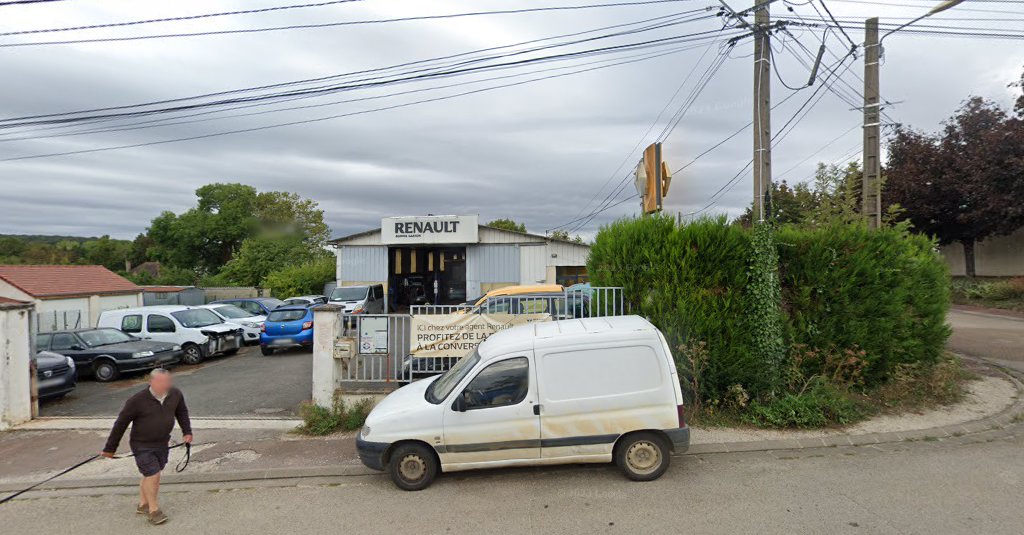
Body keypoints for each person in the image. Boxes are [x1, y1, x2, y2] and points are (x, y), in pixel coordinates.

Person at [101, 368, 192, 526]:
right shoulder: (137, 400)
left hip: (162, 443)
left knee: (150, 474)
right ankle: (154, 510)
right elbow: (120, 424)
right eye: (160, 382)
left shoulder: (175, 394)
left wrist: (187, 431)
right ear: (151, 382)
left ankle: (143, 504)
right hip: (141, 444)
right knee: (153, 474)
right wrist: (110, 449)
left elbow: (182, 412)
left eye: (166, 381)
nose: (165, 385)